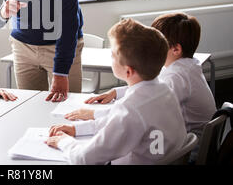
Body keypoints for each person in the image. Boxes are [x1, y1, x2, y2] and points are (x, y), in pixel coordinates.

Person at [46, 19, 187, 164]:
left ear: (128, 71)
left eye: (113, 54)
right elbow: (113, 122)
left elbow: (85, 158)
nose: (110, 56)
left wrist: (64, 142)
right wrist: (76, 129)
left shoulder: (130, 109)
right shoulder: (164, 90)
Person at [67, 13, 216, 142]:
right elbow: (152, 87)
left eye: (160, 43)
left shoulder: (177, 77)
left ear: (176, 49)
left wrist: (93, 114)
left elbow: (141, 107)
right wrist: (116, 92)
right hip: (186, 141)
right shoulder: (186, 66)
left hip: (187, 152)